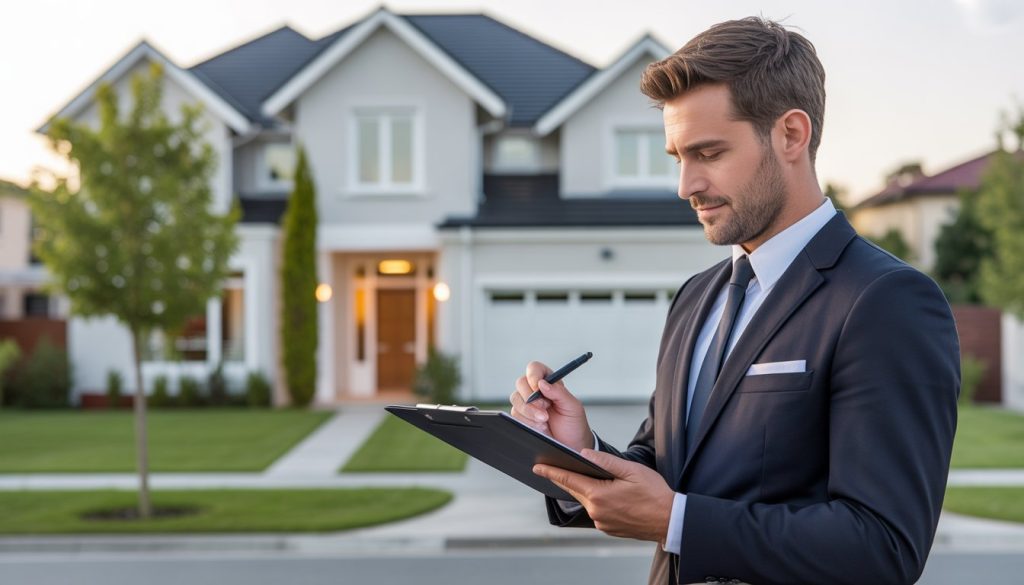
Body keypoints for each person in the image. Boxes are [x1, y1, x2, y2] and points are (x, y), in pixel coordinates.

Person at [508, 17, 960, 585]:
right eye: (678, 157)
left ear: (791, 135)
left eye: (709, 152)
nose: (685, 185)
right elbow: (665, 463)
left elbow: (882, 548)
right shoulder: (696, 298)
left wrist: (678, 521)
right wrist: (581, 451)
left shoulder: (885, 302)